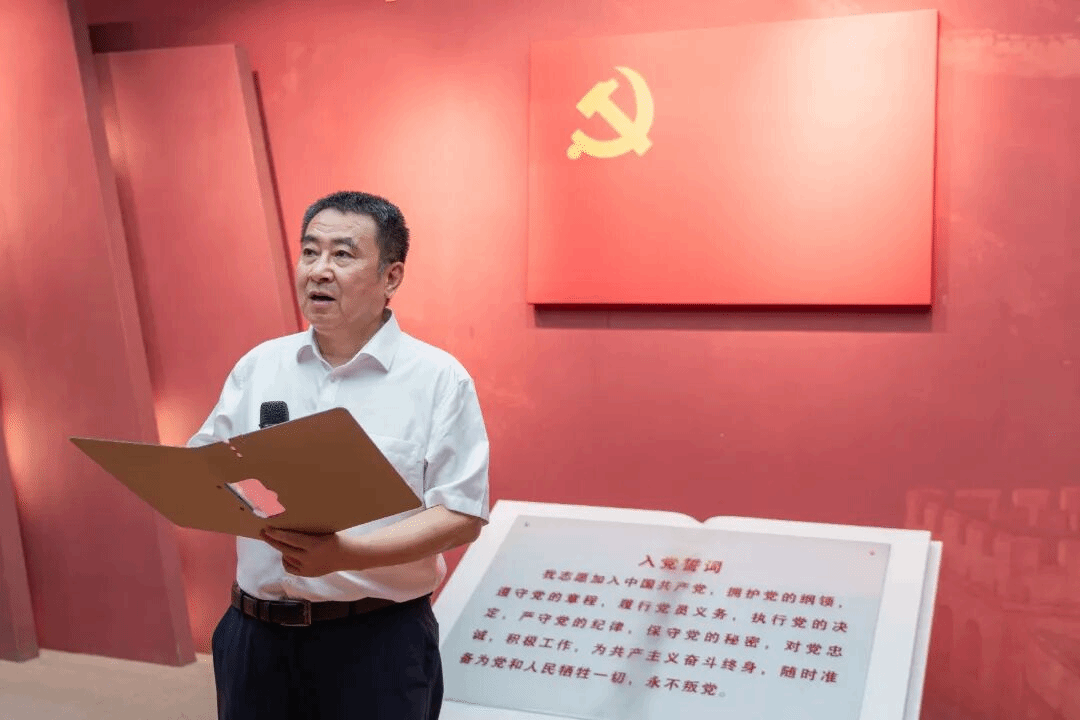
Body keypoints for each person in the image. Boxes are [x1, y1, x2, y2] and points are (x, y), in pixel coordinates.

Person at [188, 190, 490, 720]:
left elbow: (460, 514)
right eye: (310, 252)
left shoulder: (439, 379)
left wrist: (348, 553)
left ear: (391, 277)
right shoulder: (260, 365)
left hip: (375, 644)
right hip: (254, 637)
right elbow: (207, 466)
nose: (319, 270)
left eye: (342, 254)